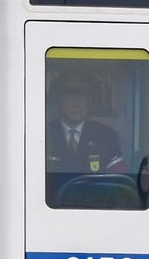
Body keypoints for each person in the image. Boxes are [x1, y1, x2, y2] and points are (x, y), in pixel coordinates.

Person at [46, 74, 126, 204]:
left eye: (82, 97)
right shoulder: (45, 133)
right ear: (59, 101)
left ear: (89, 102)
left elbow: (119, 179)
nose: (76, 103)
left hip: (94, 208)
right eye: (69, 96)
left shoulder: (105, 135)